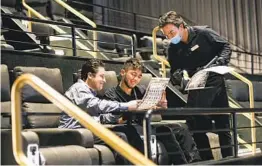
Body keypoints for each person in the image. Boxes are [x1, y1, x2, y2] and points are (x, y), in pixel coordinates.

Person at [158, 11, 233, 160]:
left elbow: (225, 46)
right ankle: (208, 161)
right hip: (196, 83)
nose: (170, 37)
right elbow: (175, 72)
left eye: (172, 32)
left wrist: (220, 61)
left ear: (181, 26)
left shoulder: (203, 33)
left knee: (223, 125)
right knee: (195, 124)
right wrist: (178, 76)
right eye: (166, 35)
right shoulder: (173, 48)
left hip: (215, 78)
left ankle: (230, 161)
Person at [104, 58, 201, 164]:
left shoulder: (140, 90)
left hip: (145, 126)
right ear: (123, 72)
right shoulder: (111, 94)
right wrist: (134, 110)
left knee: (180, 128)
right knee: (165, 131)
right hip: (129, 128)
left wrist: (162, 105)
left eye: (139, 76)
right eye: (133, 74)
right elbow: (114, 120)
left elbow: (157, 108)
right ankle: (182, 163)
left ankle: (195, 162)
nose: (135, 79)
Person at [58, 59, 141, 164]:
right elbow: (97, 105)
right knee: (120, 137)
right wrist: (126, 106)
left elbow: (96, 118)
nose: (104, 80)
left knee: (127, 130)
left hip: (88, 130)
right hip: (73, 133)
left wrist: (115, 117)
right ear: (90, 75)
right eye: (101, 76)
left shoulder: (90, 92)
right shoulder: (79, 89)